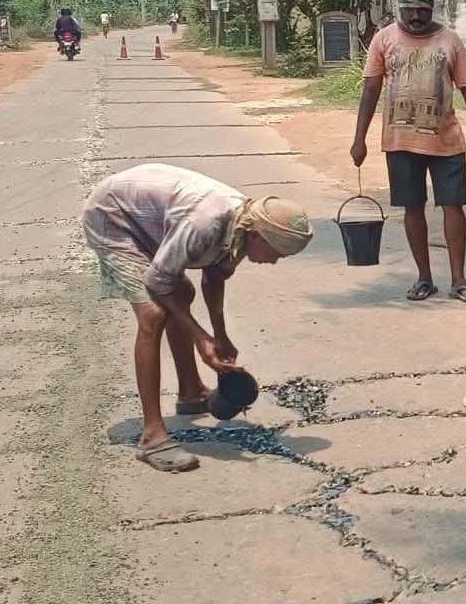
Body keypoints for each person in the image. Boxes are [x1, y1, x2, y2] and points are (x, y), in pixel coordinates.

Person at [82, 163, 313, 472]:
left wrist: (220, 335)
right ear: (258, 235)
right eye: (277, 253)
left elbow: (215, 276)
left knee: (182, 295)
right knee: (153, 313)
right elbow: (157, 282)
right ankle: (152, 436)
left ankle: (191, 391)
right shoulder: (206, 223)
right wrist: (200, 338)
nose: (274, 262)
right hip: (114, 215)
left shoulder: (242, 229)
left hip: (148, 220)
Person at [351, 0, 466, 303]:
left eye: (422, 10)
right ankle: (424, 277)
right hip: (400, 142)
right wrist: (360, 139)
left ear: (431, 8)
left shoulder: (450, 41)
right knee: (413, 208)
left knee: (452, 206)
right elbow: (371, 89)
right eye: (409, 10)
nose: (415, 17)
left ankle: (459, 279)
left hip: (446, 141)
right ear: (400, 8)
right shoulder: (383, 40)